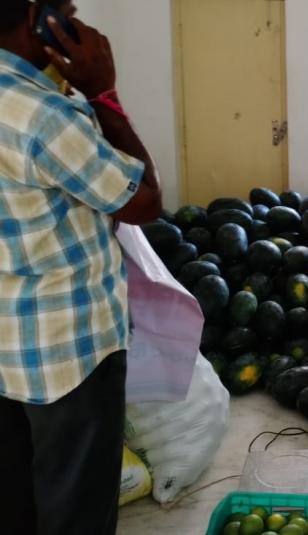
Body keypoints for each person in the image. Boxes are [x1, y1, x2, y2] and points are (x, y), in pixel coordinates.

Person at [0, 1, 162, 533]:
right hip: (67, 350)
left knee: (17, 500)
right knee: (76, 510)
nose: (77, 20)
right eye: (66, 10)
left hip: (7, 344)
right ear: (36, 18)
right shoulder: (40, 114)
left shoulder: (38, 102)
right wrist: (103, 92)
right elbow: (143, 200)